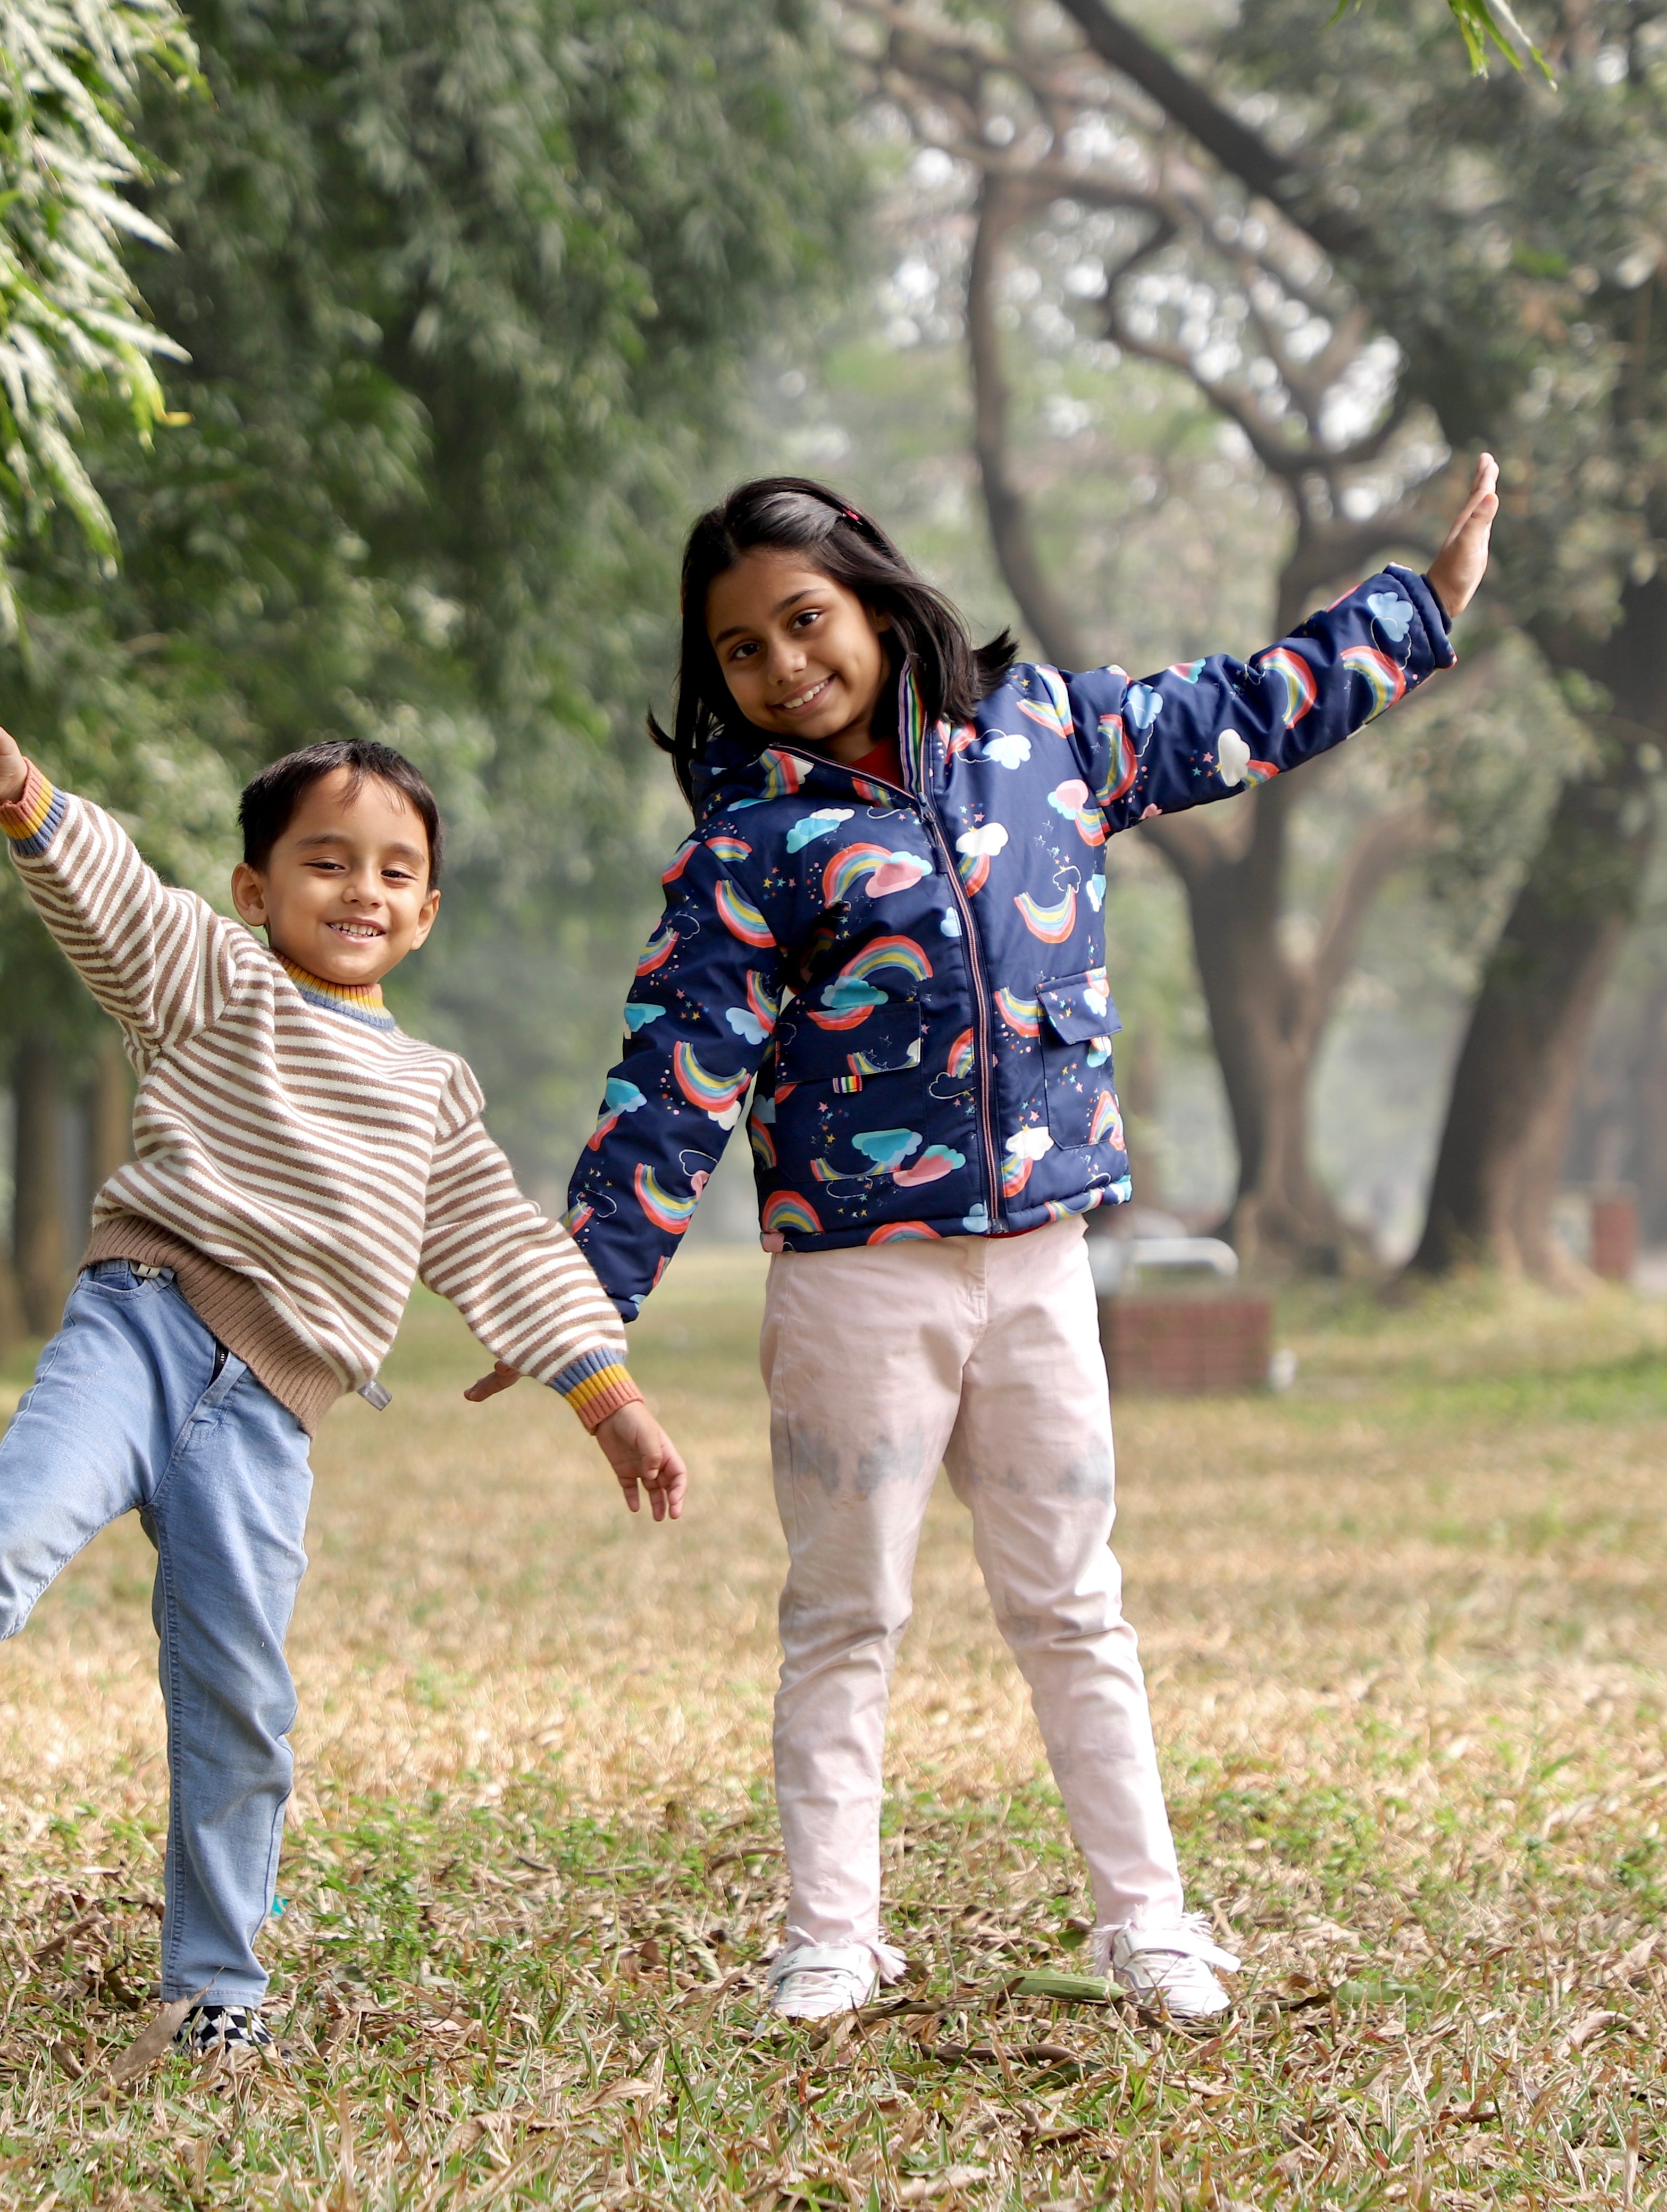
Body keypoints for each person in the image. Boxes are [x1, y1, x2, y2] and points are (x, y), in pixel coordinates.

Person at [494, 460, 1498, 2025]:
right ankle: (831, 1937)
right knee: (846, 1617)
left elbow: (1247, 707)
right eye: (742, 652)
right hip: (853, 1287)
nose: (784, 666)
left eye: (806, 620)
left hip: (1039, 1270)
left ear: (878, 598)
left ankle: (1149, 1924)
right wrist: (579, 1300)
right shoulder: (752, 846)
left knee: (1073, 1605)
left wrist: (1418, 609)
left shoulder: (1049, 739)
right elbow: (673, 1075)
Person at [0, 676, 691, 2060]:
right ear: (256, 887)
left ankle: (216, 1990)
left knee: (239, 1692)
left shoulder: (433, 1092)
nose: (361, 889)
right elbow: (118, 904)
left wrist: (611, 1401)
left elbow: (497, 1242)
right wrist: (15, 791)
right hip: (142, 1328)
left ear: (429, 910)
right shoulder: (217, 982)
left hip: (270, 1415)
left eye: (396, 870)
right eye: (325, 860)